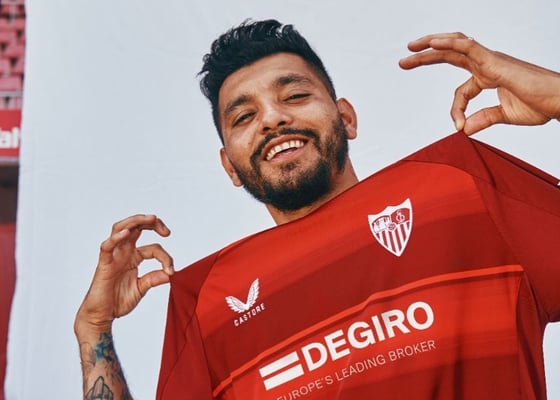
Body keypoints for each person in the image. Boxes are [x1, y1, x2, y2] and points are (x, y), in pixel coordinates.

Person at [74, 19, 560, 399]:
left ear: (346, 118)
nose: (272, 118)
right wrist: (94, 332)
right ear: (229, 166)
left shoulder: (459, 186)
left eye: (295, 95)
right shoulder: (206, 302)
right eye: (244, 116)